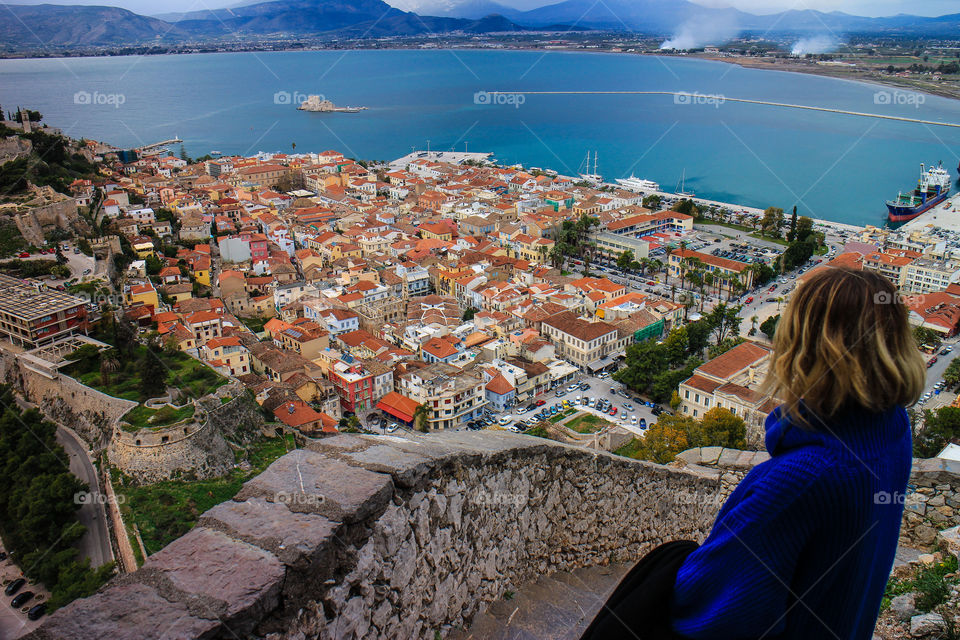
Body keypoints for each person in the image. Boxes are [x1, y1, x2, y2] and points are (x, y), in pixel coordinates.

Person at [583, 266, 925, 639]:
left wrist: (671, 564)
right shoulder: (893, 431)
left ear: (802, 349)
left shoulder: (801, 478)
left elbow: (717, 609)